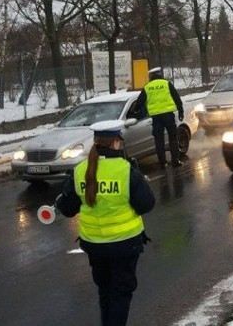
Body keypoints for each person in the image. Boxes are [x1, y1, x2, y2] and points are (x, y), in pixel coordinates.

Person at [55, 120, 155, 326]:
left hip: (94, 246)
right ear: (116, 143)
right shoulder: (126, 171)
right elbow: (146, 205)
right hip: (125, 244)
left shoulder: (81, 170)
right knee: (120, 294)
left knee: (106, 291)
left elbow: (66, 208)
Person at [132, 67, 185, 167]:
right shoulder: (166, 83)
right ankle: (175, 161)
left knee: (159, 140)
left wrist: (134, 111)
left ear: (151, 76)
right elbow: (176, 98)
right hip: (168, 116)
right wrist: (181, 111)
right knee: (173, 138)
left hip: (156, 118)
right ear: (160, 74)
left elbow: (139, 102)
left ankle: (162, 163)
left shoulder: (147, 87)